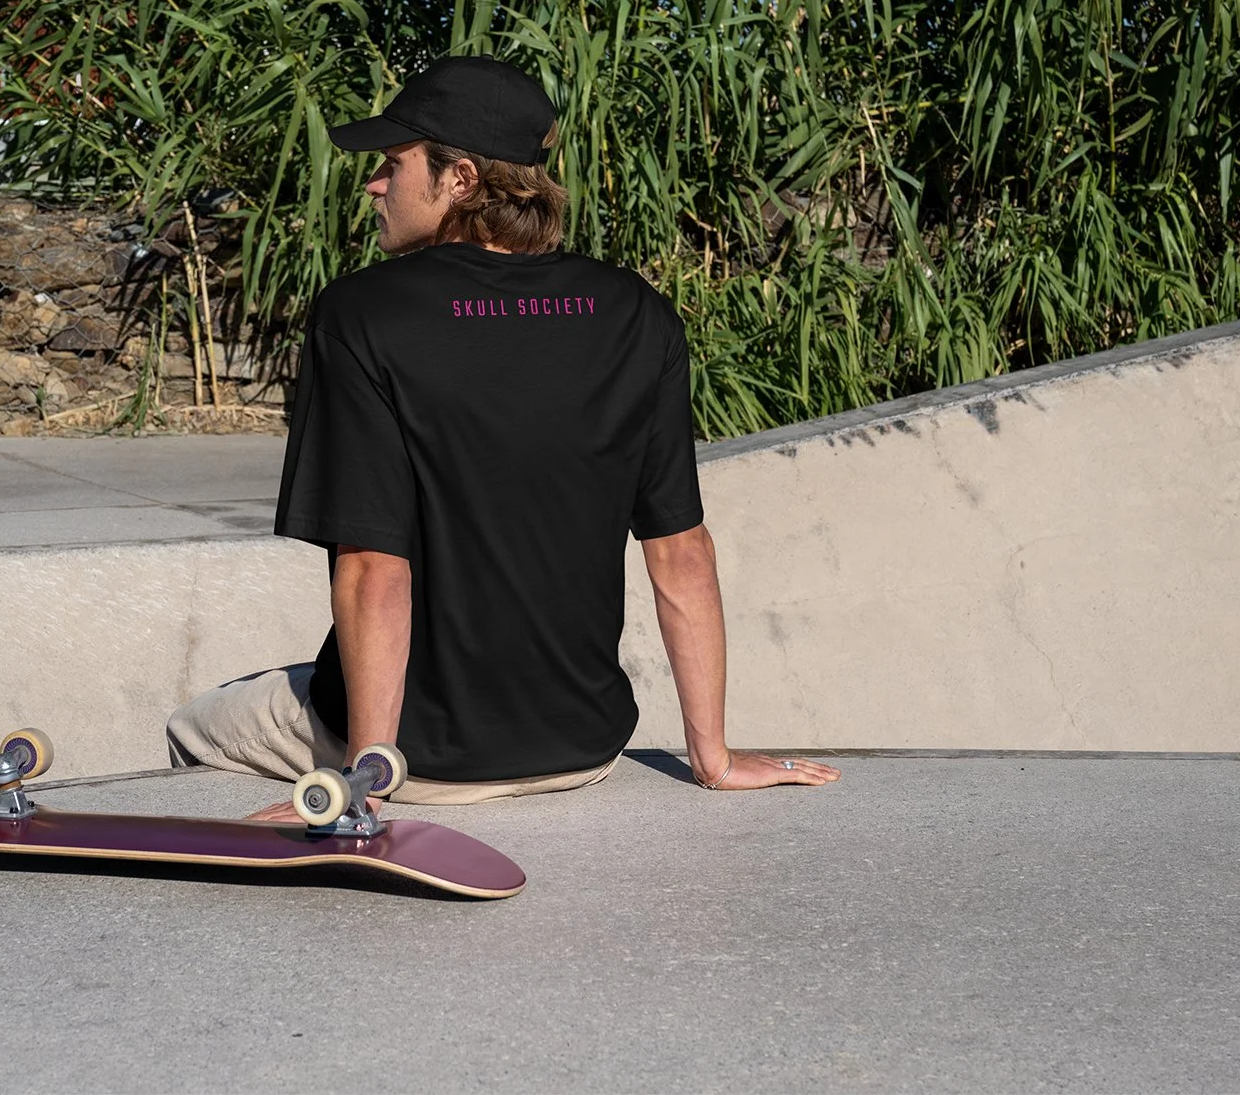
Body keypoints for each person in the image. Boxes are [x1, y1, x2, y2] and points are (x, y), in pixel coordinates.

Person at [166, 56, 839, 811]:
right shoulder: (633, 312)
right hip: (582, 748)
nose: (374, 186)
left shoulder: (364, 315)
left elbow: (372, 570)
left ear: (460, 180)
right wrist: (711, 757)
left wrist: (362, 788)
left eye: (394, 163)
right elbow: (681, 551)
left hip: (419, 762)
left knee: (198, 724)